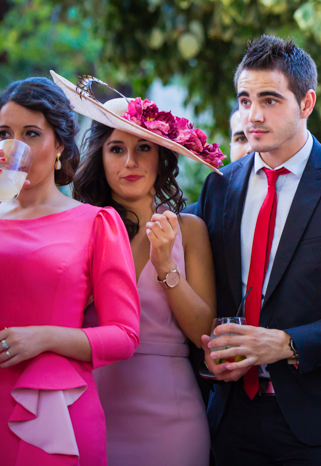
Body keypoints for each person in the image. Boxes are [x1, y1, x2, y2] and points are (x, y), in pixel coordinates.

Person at [195, 35, 321, 465]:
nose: (253, 114)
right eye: (245, 99)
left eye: (270, 100)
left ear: (306, 103)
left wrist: (288, 343)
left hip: (320, 428)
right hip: (230, 419)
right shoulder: (219, 186)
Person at [53, 71, 221, 466]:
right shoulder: (77, 229)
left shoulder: (190, 230)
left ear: (161, 157)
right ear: (100, 158)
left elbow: (204, 334)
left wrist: (167, 267)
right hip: (90, 406)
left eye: (143, 147)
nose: (130, 162)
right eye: (116, 149)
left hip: (172, 420)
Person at [0, 77, 140, 466]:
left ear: (60, 145)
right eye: (4, 134)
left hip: (54, 408)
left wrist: (42, 338)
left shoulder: (95, 222)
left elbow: (124, 336)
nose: (16, 147)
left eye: (31, 133)